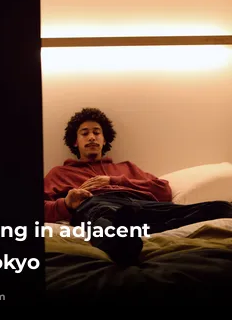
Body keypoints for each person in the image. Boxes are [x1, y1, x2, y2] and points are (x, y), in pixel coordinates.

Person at [44, 107, 232, 266]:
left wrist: (115, 181)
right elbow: (38, 209)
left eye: (96, 132)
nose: (92, 137)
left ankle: (139, 228)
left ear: (105, 139)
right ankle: (122, 246)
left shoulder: (126, 168)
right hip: (98, 204)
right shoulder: (59, 173)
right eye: (85, 133)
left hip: (140, 205)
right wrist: (66, 204)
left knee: (220, 207)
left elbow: (164, 190)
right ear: (75, 142)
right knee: (103, 218)